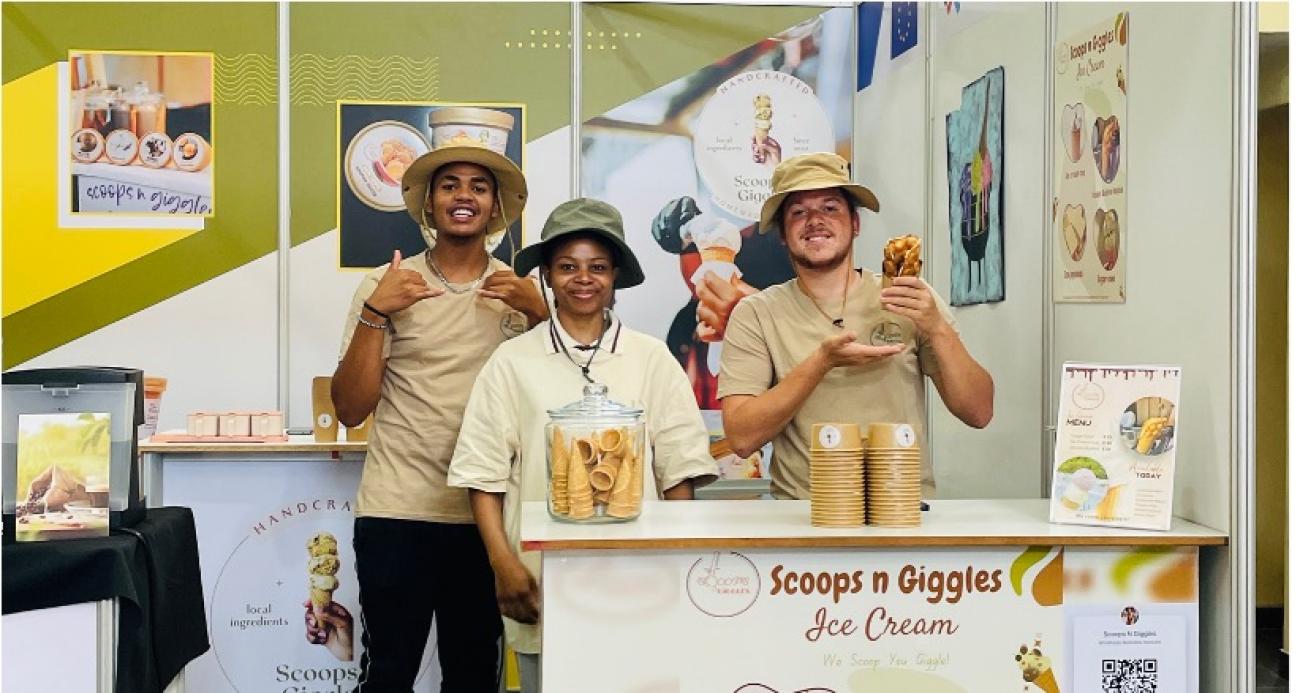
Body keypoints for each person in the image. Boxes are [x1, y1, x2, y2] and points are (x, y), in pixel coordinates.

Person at [448, 198, 719, 692]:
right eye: (567, 267)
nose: (583, 278)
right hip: (542, 580)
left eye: (597, 267)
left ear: (615, 275)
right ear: (547, 277)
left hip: (642, 579)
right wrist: (504, 566)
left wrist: (678, 560)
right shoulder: (513, 362)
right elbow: (482, 474)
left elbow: (678, 472)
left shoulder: (651, 358)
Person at [329, 128, 547, 692]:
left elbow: (562, 393)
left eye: (479, 186)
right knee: (389, 674)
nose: (463, 196)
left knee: (474, 677)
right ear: (428, 202)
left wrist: (542, 314)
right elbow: (351, 408)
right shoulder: (389, 284)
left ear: (496, 207)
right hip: (396, 510)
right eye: (449, 185)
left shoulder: (517, 289)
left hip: (487, 517)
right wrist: (379, 312)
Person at [718, 152, 993, 499]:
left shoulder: (908, 297)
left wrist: (938, 327)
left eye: (830, 207)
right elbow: (741, 439)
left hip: (903, 509)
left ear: (856, 223)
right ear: (783, 236)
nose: (815, 220)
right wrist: (821, 362)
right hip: (803, 517)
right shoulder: (757, 313)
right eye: (798, 212)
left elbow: (979, 412)